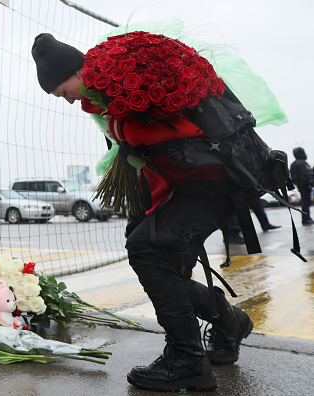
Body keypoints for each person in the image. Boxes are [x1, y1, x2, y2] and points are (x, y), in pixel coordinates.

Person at [32, 33, 253, 392]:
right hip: (188, 185)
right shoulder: (104, 98)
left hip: (213, 181)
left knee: (148, 248)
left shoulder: (124, 89)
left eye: (62, 92)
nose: (68, 101)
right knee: (162, 262)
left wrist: (126, 131)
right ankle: (229, 322)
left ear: (75, 72)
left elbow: (171, 135)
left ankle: (187, 360)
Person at [290, 147, 314, 225]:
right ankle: (306, 218)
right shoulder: (302, 163)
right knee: (306, 202)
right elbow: (306, 175)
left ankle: (306, 217)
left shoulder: (294, 164)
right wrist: (311, 183)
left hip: (300, 185)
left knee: (305, 202)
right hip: (305, 185)